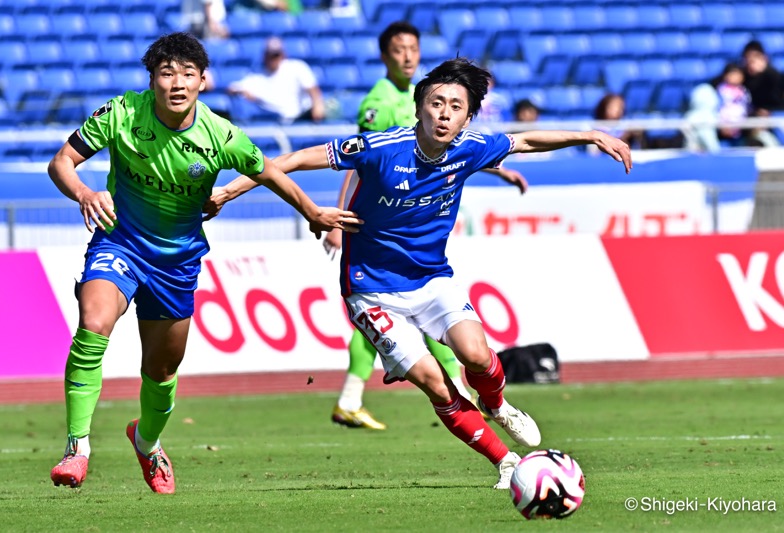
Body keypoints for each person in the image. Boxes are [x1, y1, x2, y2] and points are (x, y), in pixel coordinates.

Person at [207, 58, 632, 488]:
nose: (444, 113)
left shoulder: (470, 148)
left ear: (468, 117)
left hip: (431, 279)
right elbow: (295, 159)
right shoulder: (380, 148)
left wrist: (591, 134)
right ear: (419, 109)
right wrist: (227, 190)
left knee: (478, 355)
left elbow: (527, 142)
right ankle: (505, 462)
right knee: (435, 382)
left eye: (455, 106)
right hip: (371, 290)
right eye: (436, 103)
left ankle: (499, 406)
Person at [46, 32, 359, 493]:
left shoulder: (219, 134)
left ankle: (147, 443)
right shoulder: (120, 114)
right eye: (166, 73)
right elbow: (61, 163)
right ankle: (77, 448)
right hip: (119, 245)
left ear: (203, 81)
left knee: (162, 370)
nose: (177, 83)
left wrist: (312, 212)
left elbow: (267, 170)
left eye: (187, 74)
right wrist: (86, 192)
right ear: (151, 80)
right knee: (93, 324)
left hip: (176, 262)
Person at [324, 21, 527, 430]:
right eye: (398, 49)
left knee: (445, 329)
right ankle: (368, 395)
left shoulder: (435, 97)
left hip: (417, 245)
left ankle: (458, 395)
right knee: (382, 317)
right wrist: (338, 216)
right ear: (385, 55)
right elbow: (361, 163)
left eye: (413, 48)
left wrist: (496, 169)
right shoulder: (380, 102)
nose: (408, 56)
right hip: (378, 233)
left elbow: (447, 153)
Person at [227, 37, 325, 124]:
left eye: (276, 55)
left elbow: (312, 88)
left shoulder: (296, 67)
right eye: (270, 55)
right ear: (265, 56)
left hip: (303, 115)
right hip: (281, 121)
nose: (273, 59)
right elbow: (233, 88)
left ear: (283, 54)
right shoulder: (257, 77)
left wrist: (317, 105)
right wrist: (244, 93)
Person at [741, 40, 782, 147]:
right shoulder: (743, 77)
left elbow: (776, 100)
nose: (751, 62)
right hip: (754, 121)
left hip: (774, 118)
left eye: (755, 57)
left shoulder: (774, 76)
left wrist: (767, 112)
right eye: (748, 59)